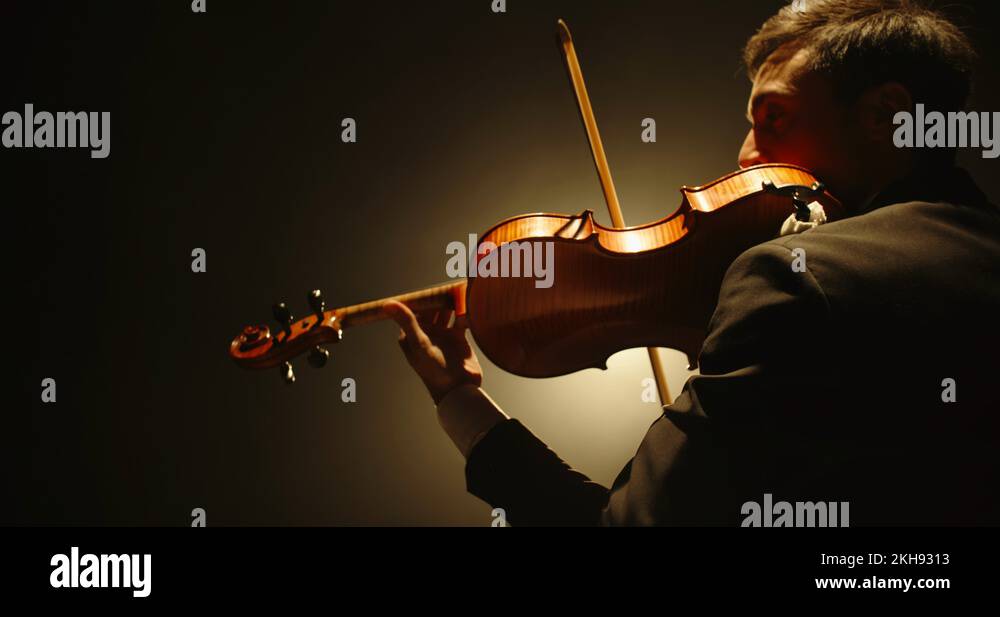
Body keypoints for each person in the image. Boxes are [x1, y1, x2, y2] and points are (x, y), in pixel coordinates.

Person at [383, 0, 1000, 525]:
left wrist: (458, 401)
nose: (745, 155)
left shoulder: (794, 282)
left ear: (885, 117)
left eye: (773, 117)